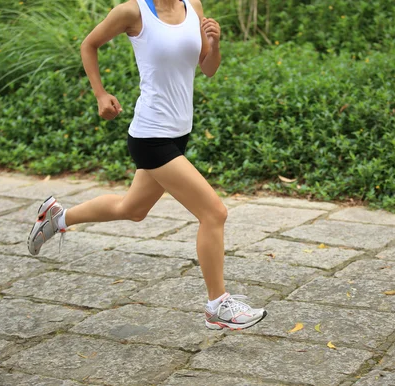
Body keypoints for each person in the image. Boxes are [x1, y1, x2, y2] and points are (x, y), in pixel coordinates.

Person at [27, 0, 267, 330]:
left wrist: (214, 43)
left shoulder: (192, 6)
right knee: (214, 213)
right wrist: (100, 94)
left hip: (179, 132)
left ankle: (57, 217)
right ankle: (217, 305)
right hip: (151, 136)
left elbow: (208, 68)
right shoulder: (133, 12)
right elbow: (89, 44)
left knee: (133, 208)